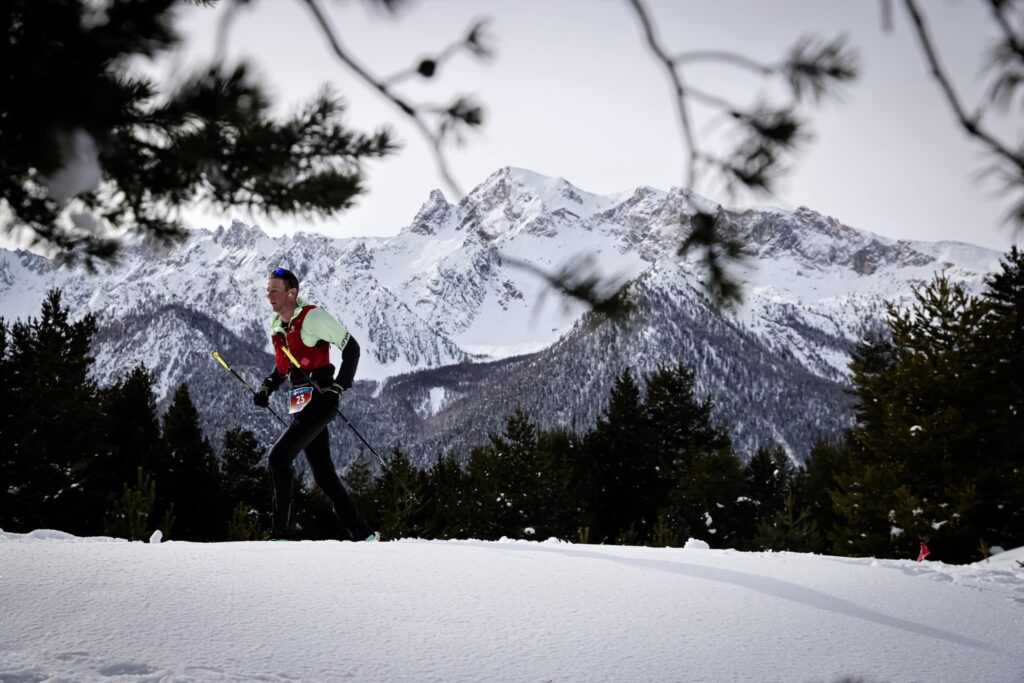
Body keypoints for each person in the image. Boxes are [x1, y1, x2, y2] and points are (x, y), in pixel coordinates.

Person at [254, 267, 375, 541]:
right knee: (323, 474)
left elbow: (352, 349)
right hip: (300, 400)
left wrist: (338, 387)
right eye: (268, 290)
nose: (269, 295)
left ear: (292, 293)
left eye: (275, 290)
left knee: (278, 459)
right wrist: (266, 388)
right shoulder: (278, 324)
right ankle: (363, 533)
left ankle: (279, 534)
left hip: (321, 398)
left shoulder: (313, 317)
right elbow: (284, 367)